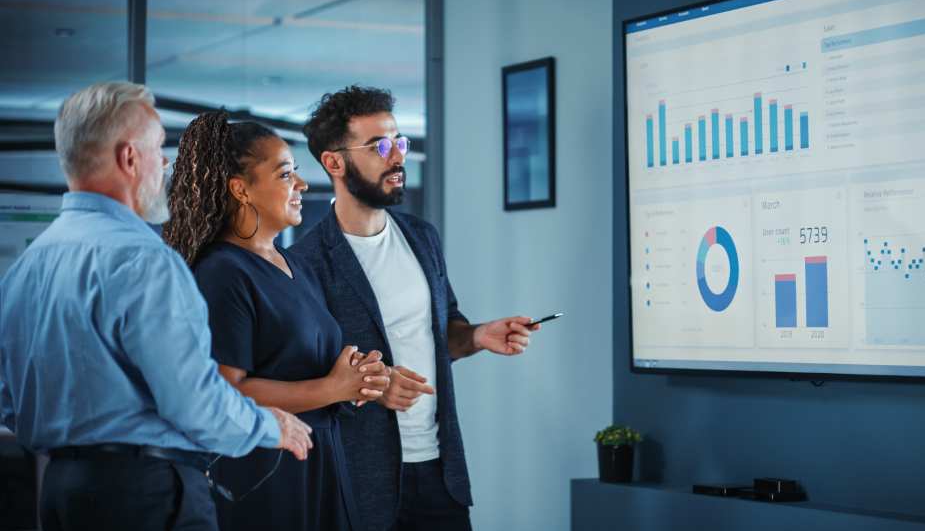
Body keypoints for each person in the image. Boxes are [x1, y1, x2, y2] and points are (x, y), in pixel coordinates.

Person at [0, 82, 314, 530]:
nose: (165, 164)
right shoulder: (143, 259)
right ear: (129, 158)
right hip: (144, 493)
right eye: (157, 149)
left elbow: (9, 403)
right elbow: (193, 401)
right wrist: (271, 427)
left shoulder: (26, 268)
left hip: (59, 492)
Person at [289, 86, 540, 531]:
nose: (397, 156)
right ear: (334, 162)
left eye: (399, 142)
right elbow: (306, 379)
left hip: (442, 471)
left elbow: (444, 330)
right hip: (361, 480)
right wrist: (373, 388)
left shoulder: (422, 236)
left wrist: (478, 336)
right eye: (379, 146)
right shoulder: (307, 262)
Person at [162, 109, 393, 531]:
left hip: (320, 457)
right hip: (267, 469)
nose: (302, 185)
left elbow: (303, 365)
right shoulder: (222, 272)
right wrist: (329, 387)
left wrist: (354, 382)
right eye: (286, 174)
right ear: (241, 190)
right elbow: (226, 390)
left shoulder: (294, 263)